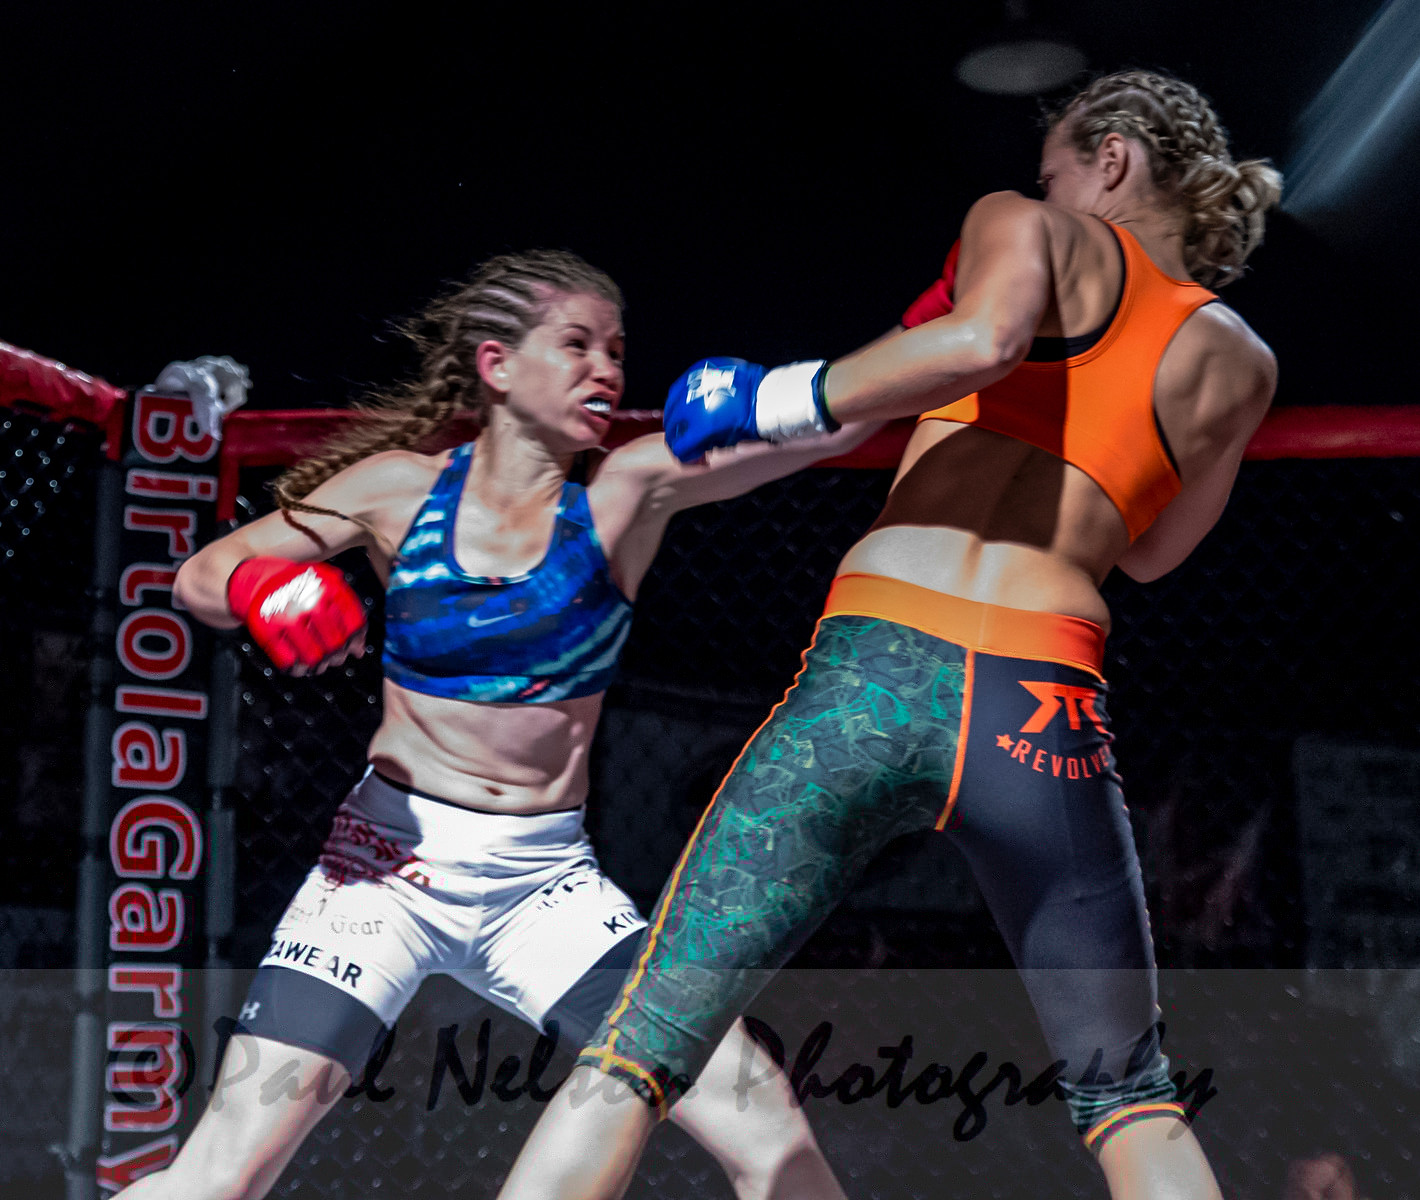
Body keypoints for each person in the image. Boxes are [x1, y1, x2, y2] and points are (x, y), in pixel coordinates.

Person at [497, 70, 1282, 1200]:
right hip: (1041, 701)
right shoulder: (1243, 362)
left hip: (878, 671)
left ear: (1110, 159)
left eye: (1054, 167)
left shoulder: (1024, 225)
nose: (1042, 186)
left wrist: (774, 395)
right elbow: (1154, 552)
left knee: (639, 1046)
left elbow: (981, 339)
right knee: (1129, 1098)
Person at [118, 249, 871, 1200]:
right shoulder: (398, 488)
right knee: (222, 1172)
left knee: (766, 1128)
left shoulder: (629, 489)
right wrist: (264, 588)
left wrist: (938, 329)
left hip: (545, 887)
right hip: (385, 869)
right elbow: (200, 577)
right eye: (577, 344)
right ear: (497, 364)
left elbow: (847, 421)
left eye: (617, 351)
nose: (607, 369)